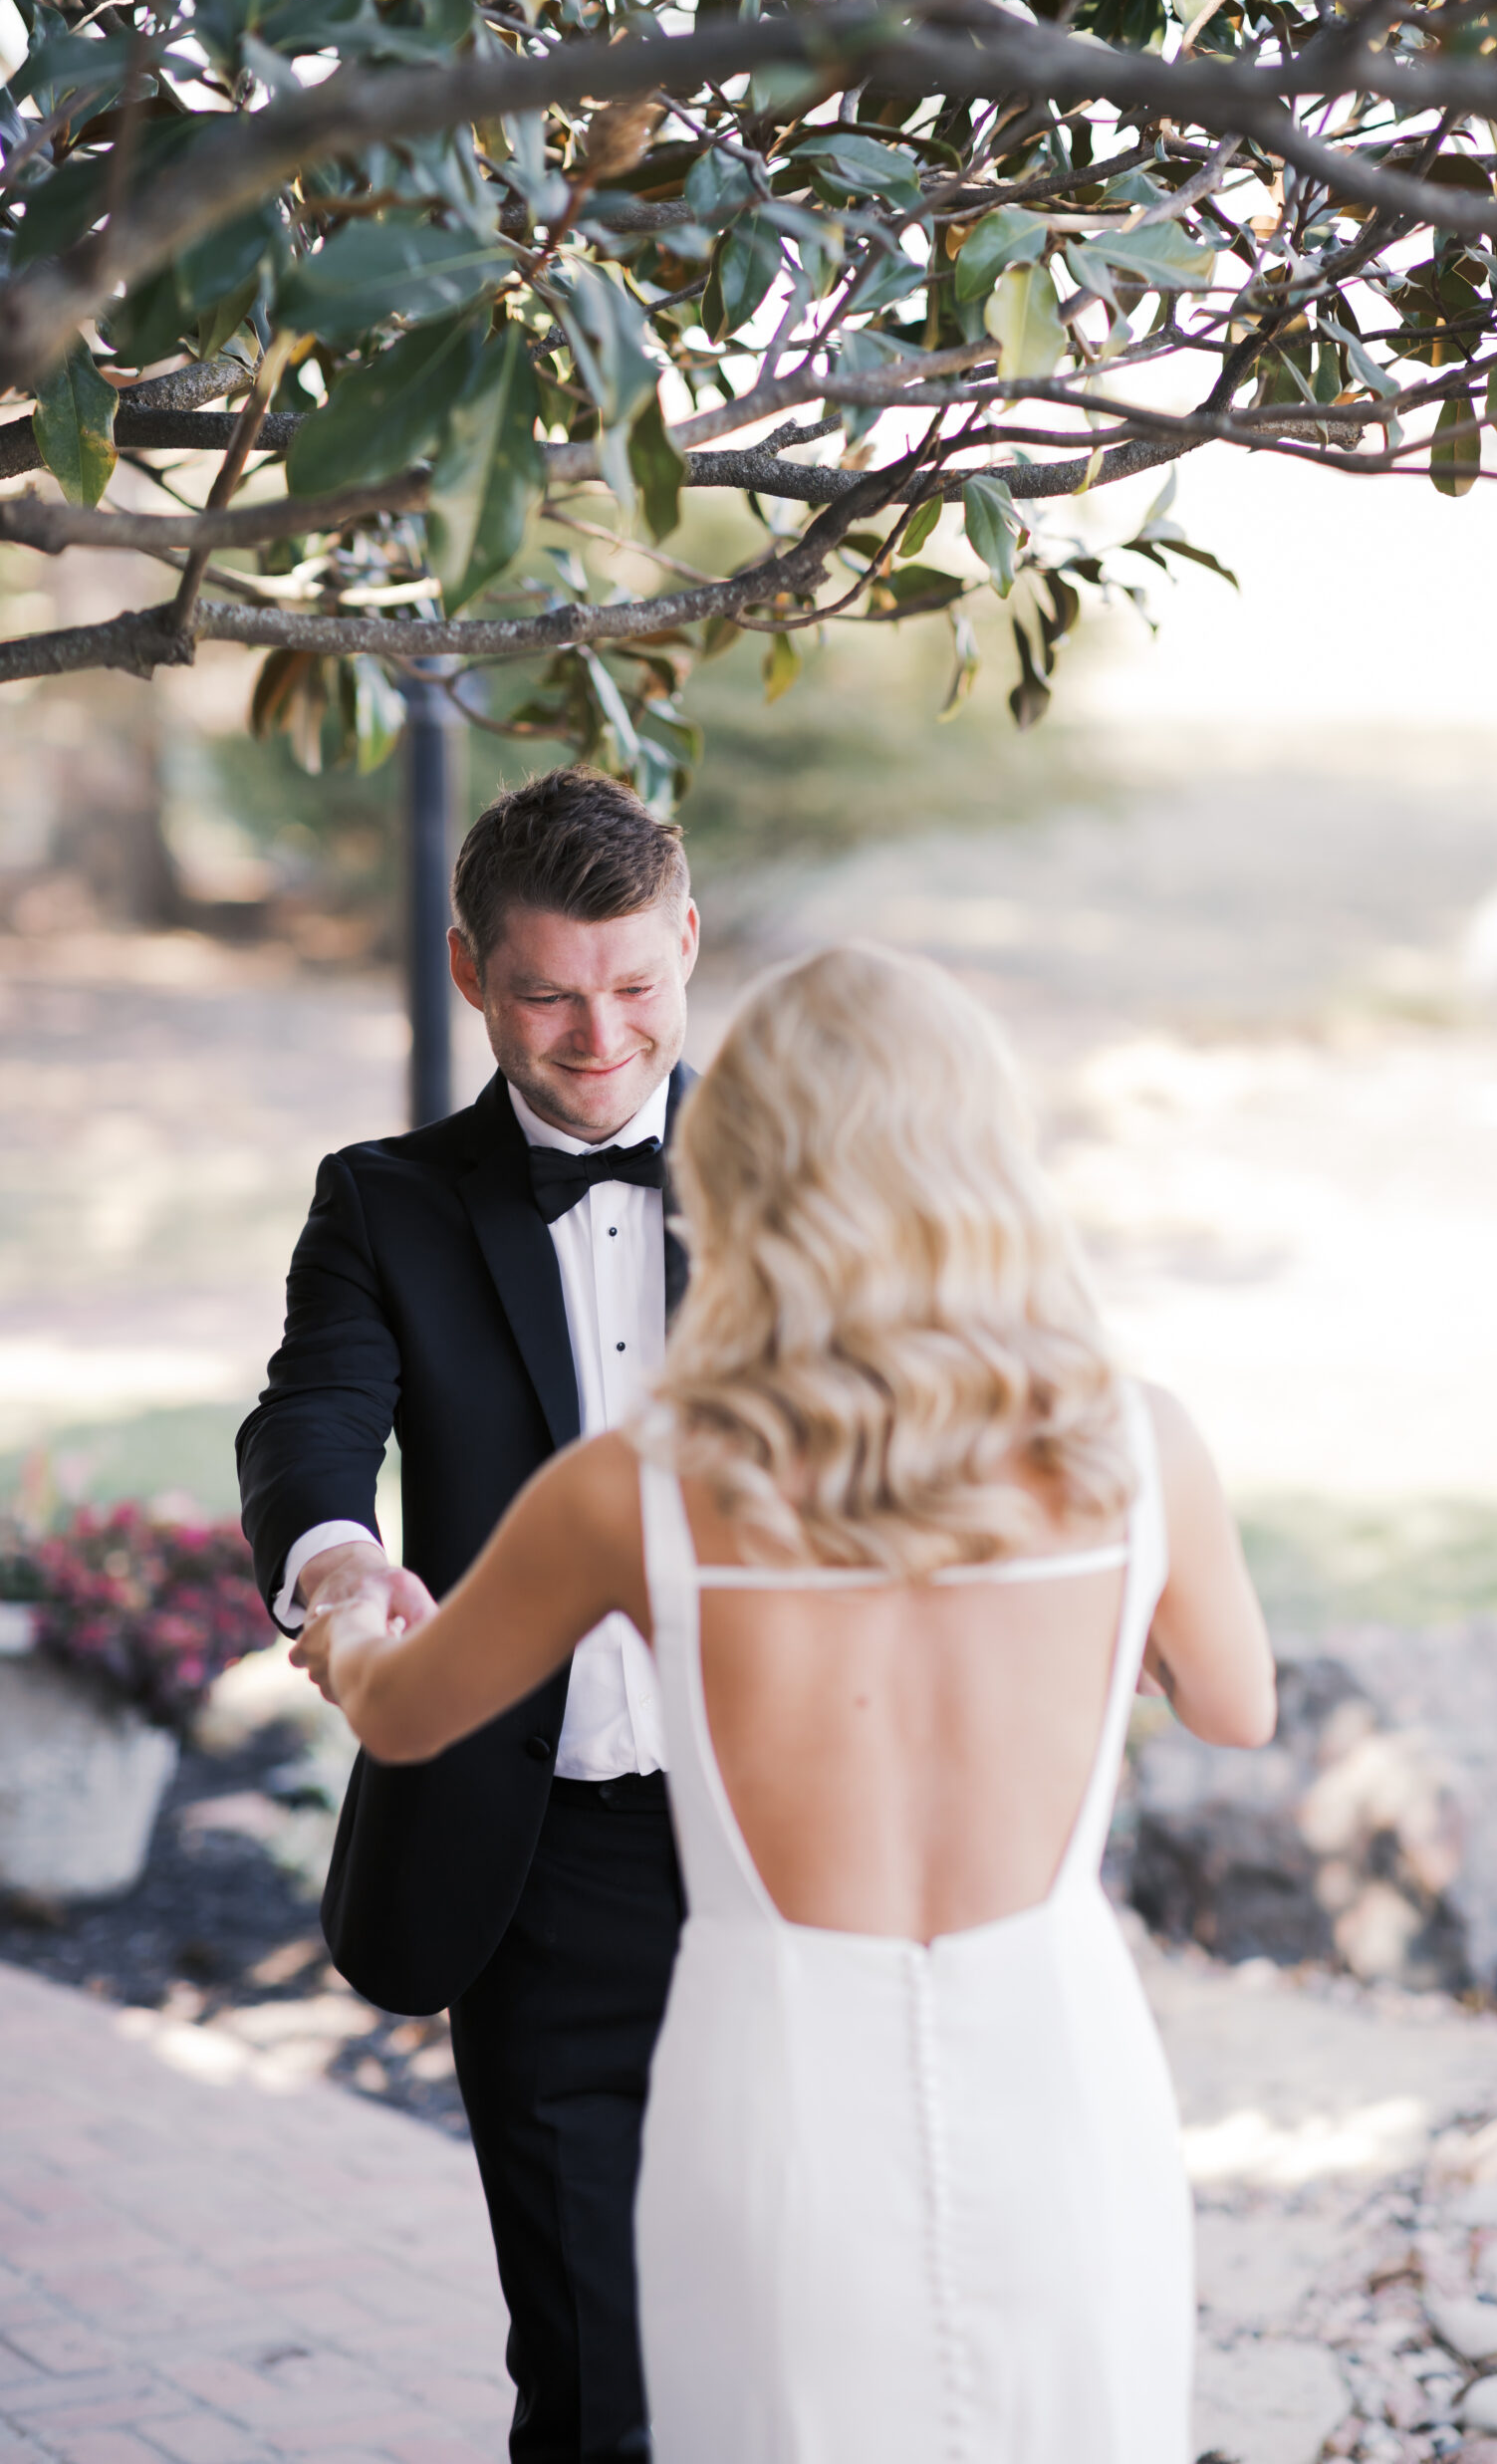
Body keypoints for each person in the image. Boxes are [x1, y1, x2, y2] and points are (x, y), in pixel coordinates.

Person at [291, 941, 1277, 2464]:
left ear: (740, 1168)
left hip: (778, 2084)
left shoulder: (635, 1488)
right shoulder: (1139, 1447)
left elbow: (408, 1714)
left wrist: (352, 1618)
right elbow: (1234, 1706)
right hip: (1059, 2070)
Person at [236, 770, 701, 2464]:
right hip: (546, 1852)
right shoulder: (385, 1201)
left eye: (637, 985)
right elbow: (309, 1420)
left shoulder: (804, 1176)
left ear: (691, 944)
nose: (599, 1038)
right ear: (467, 974)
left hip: (795, 1838)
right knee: (599, 2376)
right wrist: (344, 1570)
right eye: (548, 993)